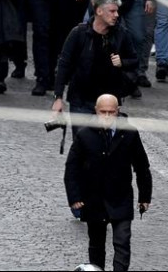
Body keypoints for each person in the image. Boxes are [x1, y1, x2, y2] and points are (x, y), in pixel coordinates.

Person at [64, 94, 152, 271]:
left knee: (122, 242)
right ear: (96, 111)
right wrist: (75, 197)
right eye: (103, 112)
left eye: (111, 112)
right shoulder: (84, 134)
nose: (107, 116)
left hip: (121, 196)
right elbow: (72, 168)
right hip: (94, 198)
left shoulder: (129, 133)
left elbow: (142, 166)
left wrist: (145, 196)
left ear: (117, 111)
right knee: (96, 245)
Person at [52, 0, 139, 123]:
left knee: (105, 142)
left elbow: (134, 61)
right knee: (82, 141)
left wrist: (122, 63)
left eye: (117, 11)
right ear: (99, 11)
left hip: (108, 103)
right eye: (112, 11)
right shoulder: (78, 33)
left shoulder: (122, 34)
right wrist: (58, 97)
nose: (116, 15)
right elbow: (64, 64)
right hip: (80, 99)